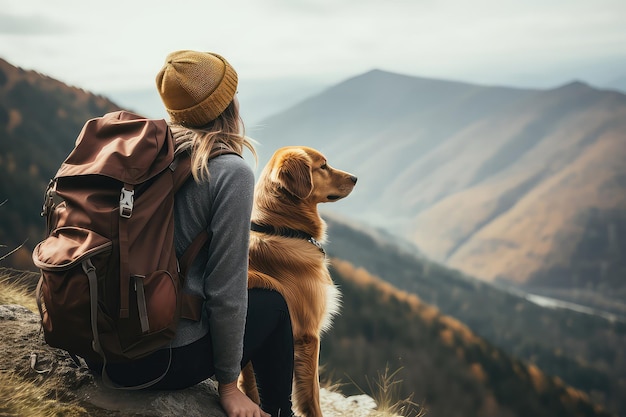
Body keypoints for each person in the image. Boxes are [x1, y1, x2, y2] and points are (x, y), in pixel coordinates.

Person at [90, 50, 296, 417]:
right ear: (228, 104)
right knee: (275, 305)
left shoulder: (141, 152)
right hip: (159, 361)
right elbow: (226, 293)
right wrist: (229, 386)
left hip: (99, 348)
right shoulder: (229, 172)